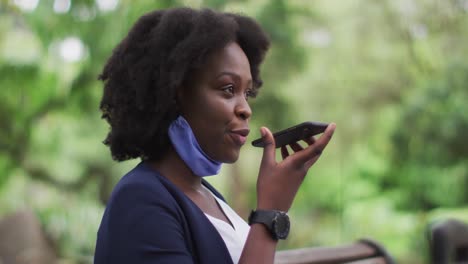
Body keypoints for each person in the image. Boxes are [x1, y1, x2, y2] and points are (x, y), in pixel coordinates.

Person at [94, 7, 336, 264]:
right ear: (174, 93)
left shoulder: (207, 195)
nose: (245, 109)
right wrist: (270, 212)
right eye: (228, 89)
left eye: (247, 93)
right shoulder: (140, 200)